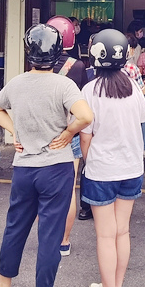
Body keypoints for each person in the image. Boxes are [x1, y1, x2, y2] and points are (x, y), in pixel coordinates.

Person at [0, 24, 94, 287]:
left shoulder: (16, 83)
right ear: (58, 53)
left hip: (24, 169)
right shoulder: (64, 85)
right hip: (57, 169)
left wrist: (16, 132)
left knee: (15, 227)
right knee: (50, 236)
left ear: (28, 52)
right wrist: (69, 133)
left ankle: (3, 283)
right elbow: (86, 117)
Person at [80, 28, 145, 287]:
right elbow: (143, 121)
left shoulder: (89, 90)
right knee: (123, 231)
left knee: (105, 236)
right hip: (131, 169)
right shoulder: (133, 88)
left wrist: (89, 161)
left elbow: (85, 136)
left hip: (102, 171)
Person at [46, 15, 88, 256]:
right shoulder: (79, 66)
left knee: (43, 189)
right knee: (68, 189)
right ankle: (63, 241)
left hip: (43, 134)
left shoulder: (35, 66)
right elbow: (81, 100)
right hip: (69, 134)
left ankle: (47, 239)